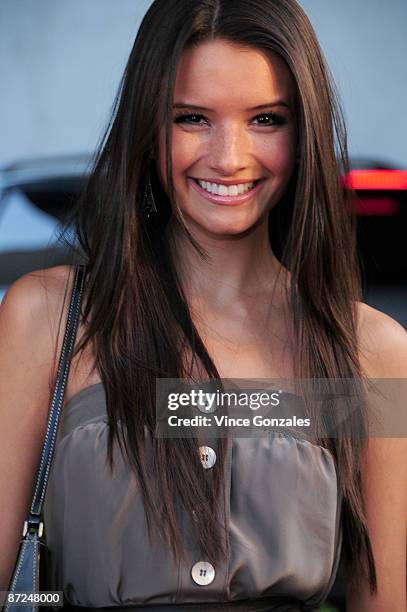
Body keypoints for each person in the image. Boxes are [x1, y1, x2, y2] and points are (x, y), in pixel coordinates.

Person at [0, 0, 406, 610]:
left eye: (266, 119)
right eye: (192, 118)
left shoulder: (375, 354)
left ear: (305, 132)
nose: (229, 157)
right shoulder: (48, 319)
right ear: (147, 126)